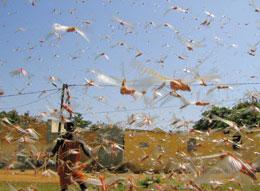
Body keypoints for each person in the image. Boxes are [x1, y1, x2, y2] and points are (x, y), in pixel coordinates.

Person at [50, 122, 92, 191]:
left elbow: (87, 150)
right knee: (64, 188)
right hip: (64, 167)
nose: (70, 127)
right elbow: (53, 151)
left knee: (83, 184)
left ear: (74, 129)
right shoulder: (61, 139)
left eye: (72, 126)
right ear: (65, 128)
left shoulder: (79, 139)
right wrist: (46, 156)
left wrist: (92, 158)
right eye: (68, 126)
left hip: (75, 166)